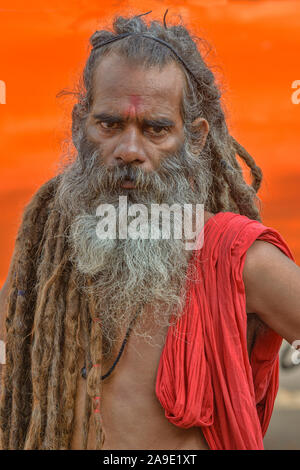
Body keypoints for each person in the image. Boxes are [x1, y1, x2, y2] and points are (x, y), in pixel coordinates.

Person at [1, 12, 300, 451]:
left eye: (156, 129)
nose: (129, 151)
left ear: (194, 138)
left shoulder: (236, 259)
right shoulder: (46, 262)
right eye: (110, 124)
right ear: (79, 125)